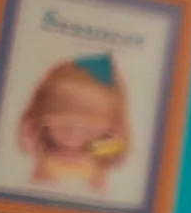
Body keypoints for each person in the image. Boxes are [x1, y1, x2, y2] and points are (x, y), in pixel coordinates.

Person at [16, 53, 130, 192]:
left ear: (110, 127)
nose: (72, 139)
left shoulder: (105, 145)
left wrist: (100, 160)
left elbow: (102, 177)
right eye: (63, 126)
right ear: (40, 120)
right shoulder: (41, 140)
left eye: (90, 130)